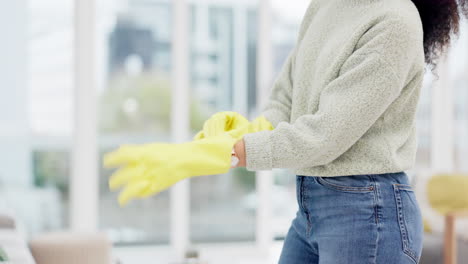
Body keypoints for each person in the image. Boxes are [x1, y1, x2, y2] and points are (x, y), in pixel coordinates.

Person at [105, 0, 468, 263]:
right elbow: (286, 97)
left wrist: (233, 152)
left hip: (368, 210)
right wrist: (248, 130)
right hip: (312, 203)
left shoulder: (394, 20)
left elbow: (325, 135)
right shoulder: (324, 7)